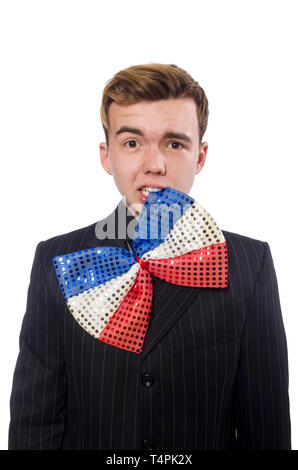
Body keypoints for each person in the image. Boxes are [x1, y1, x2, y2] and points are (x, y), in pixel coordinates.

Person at [8, 63, 291, 450]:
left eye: (174, 144)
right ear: (107, 156)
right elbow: (34, 424)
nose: (155, 165)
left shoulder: (249, 263)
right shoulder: (56, 260)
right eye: (132, 143)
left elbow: (266, 429)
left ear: (200, 156)